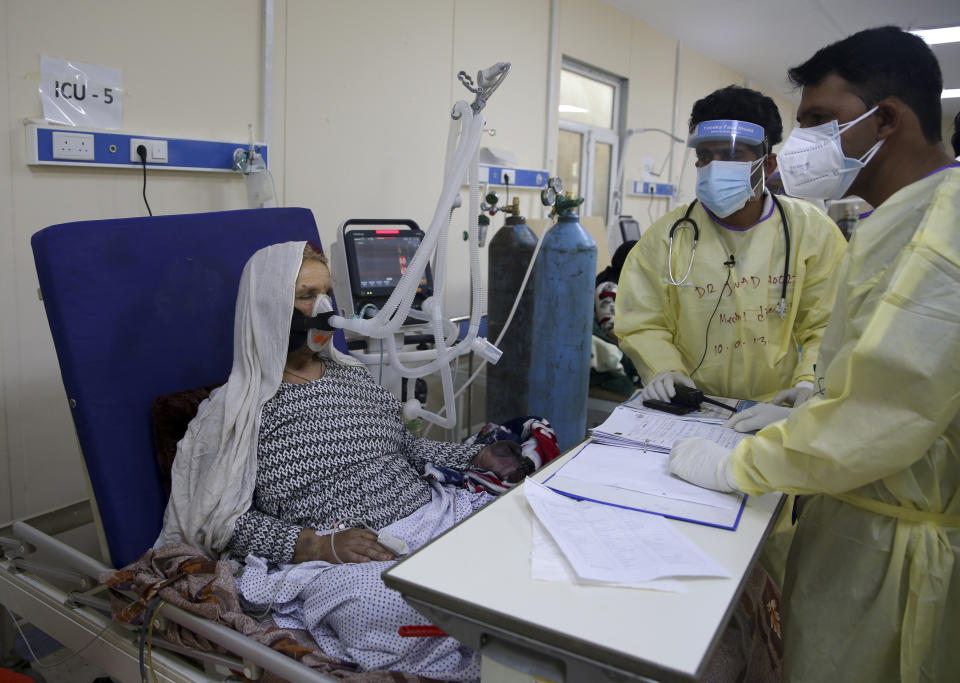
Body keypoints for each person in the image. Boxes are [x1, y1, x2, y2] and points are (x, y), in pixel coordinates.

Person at [669, 26, 960, 682]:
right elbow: (885, 362)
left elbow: (889, 408)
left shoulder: (940, 231)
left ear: (887, 119)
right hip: (843, 503)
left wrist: (743, 463)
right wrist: (810, 403)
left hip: (892, 551)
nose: (805, 147)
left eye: (822, 121)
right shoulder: (898, 218)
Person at [156, 241, 534, 679]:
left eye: (326, 294)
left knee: (522, 537)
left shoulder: (353, 377)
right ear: (266, 308)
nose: (322, 307)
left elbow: (409, 452)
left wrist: (477, 455)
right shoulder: (237, 410)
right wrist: (318, 544)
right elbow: (222, 522)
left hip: (434, 514)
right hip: (350, 558)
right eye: (304, 295)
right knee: (388, 607)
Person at [616, 85, 847, 407]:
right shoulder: (666, 235)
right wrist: (664, 369)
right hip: (693, 402)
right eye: (705, 156)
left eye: (732, 155)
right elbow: (641, 319)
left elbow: (828, 323)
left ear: (767, 165)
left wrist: (810, 381)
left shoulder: (813, 232)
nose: (714, 166)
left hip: (777, 404)